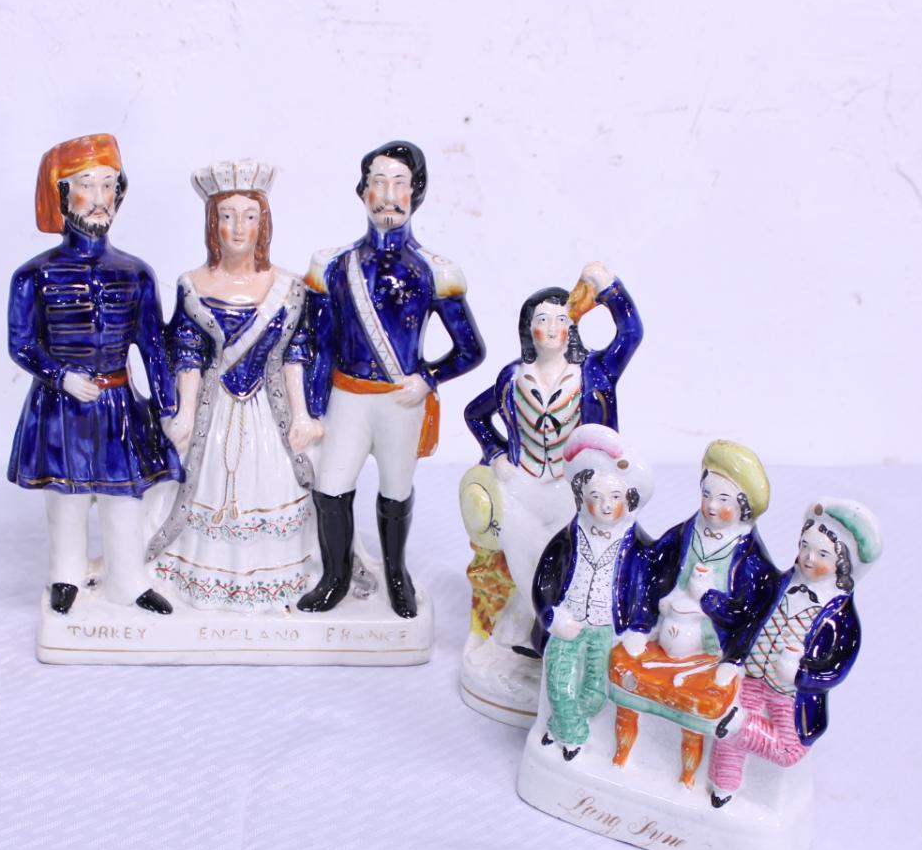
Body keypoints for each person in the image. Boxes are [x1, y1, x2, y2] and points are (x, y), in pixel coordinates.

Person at [298, 140, 486, 618]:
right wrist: (313, 411)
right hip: (347, 396)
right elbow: (318, 344)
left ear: (415, 192)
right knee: (330, 488)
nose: (387, 195)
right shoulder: (332, 265)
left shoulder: (436, 271)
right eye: (378, 182)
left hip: (401, 400)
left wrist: (429, 379)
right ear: (362, 191)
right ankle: (335, 576)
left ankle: (396, 573)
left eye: (399, 183)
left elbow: (470, 349)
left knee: (396, 491)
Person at [7, 133, 182, 615]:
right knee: (66, 495)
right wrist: (60, 375)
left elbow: (152, 346)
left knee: (123, 495)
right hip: (59, 404)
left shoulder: (136, 273)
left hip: (118, 403)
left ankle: (128, 579)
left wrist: (169, 408)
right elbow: (21, 344)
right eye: (87, 185)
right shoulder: (33, 275)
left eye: (108, 185)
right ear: (62, 194)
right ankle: (66, 574)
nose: (101, 197)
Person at [145, 160, 322, 609]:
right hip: (214, 409)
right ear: (213, 224)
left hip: (268, 410)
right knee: (199, 481)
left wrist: (302, 416)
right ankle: (202, 577)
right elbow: (187, 352)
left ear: (264, 223)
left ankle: (275, 578)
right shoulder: (191, 285)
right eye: (227, 216)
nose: (238, 227)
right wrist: (185, 414)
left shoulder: (289, 287)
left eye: (249, 216)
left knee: (277, 478)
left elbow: (295, 354)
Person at [462, 263, 643, 598]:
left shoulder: (593, 373)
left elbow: (630, 333)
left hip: (572, 488)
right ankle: (530, 615)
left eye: (561, 319)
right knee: (523, 560)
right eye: (542, 319)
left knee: (570, 559)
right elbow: (475, 415)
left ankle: (564, 614)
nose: (551, 328)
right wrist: (497, 455)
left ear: (572, 326)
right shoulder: (512, 378)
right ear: (528, 328)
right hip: (522, 485)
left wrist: (608, 289)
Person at [608, 440, 782, 785]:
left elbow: (750, 613)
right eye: (707, 494)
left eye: (724, 499)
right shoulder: (687, 532)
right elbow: (651, 566)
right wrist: (641, 622)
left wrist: (709, 600)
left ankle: (688, 777)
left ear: (744, 507)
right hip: (662, 637)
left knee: (696, 712)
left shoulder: (750, 560)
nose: (712, 506)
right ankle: (620, 757)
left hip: (709, 653)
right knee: (624, 676)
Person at [707, 499, 880, 807]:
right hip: (750, 676)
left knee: (790, 749)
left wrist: (801, 674)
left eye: (822, 554)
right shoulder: (775, 585)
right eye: (805, 547)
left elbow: (836, 668)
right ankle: (723, 787)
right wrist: (711, 602)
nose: (809, 558)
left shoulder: (841, 617)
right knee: (727, 737)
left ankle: (740, 724)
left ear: (843, 563)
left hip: (788, 693)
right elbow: (744, 614)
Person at [530, 425, 654, 761]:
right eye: (596, 497)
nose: (605, 506)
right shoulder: (567, 539)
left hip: (605, 629)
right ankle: (572, 737)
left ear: (628, 501)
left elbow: (646, 592)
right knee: (560, 684)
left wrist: (638, 627)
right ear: (582, 499)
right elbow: (544, 580)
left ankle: (559, 723)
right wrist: (552, 616)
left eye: (614, 498)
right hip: (568, 623)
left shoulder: (637, 548)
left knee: (596, 694)